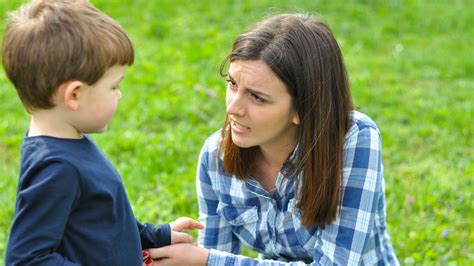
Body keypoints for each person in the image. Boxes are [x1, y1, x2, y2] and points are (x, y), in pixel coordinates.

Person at [147, 13, 399, 265]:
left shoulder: (354, 140)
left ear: (304, 108)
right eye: (232, 83)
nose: (233, 108)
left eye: (257, 97)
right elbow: (217, 248)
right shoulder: (216, 156)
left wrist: (205, 260)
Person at [2, 1, 203, 265]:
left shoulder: (67, 140)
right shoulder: (57, 168)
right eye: (114, 87)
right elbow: (26, 259)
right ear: (74, 94)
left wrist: (155, 235)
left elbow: (101, 220)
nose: (119, 95)